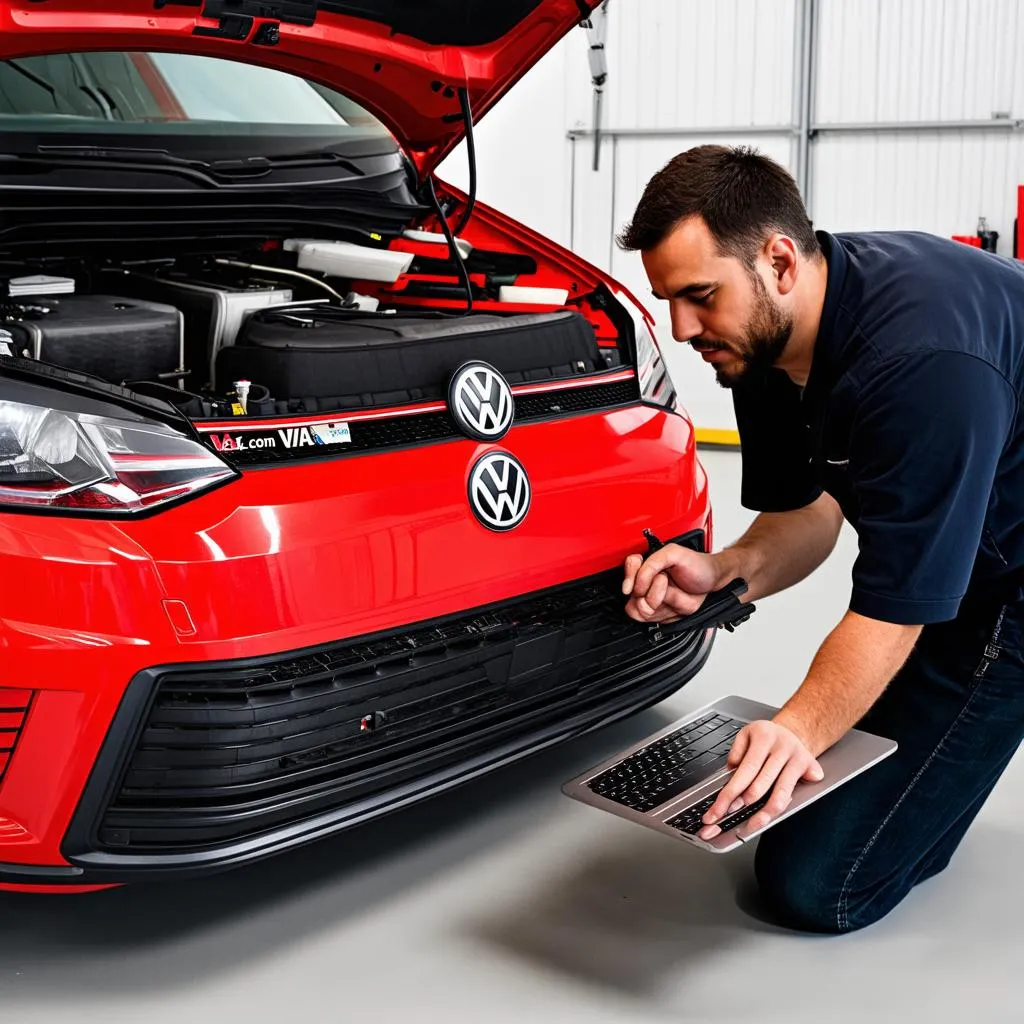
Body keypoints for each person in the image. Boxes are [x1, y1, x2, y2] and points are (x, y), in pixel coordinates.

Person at [618, 144, 1024, 934]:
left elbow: (895, 611)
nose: (683, 328)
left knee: (817, 885)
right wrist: (723, 571)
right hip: (961, 554)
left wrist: (800, 725)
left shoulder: (920, 365)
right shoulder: (765, 344)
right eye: (668, 300)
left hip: (1014, 583)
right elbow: (811, 511)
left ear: (777, 259)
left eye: (700, 295)